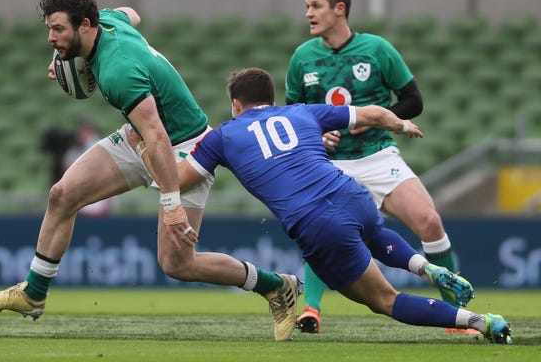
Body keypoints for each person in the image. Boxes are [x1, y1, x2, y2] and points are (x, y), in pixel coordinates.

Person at [0, 0, 301, 342]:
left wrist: (172, 203)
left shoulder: (118, 70)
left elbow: (158, 137)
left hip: (186, 148)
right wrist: (64, 57)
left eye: (58, 30)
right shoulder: (109, 22)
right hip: (139, 139)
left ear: (84, 25)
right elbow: (132, 13)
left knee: (178, 264)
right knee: (62, 195)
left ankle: (276, 287)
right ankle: (33, 293)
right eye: (49, 30)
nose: (51, 38)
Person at [136, 67, 511, 344]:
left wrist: (146, 152)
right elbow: (376, 115)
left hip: (317, 224)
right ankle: (425, 265)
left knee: (385, 300)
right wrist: (402, 125)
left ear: (236, 104)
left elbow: (176, 181)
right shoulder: (301, 112)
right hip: (352, 194)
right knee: (374, 233)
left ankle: (480, 321)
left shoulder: (223, 135)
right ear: (271, 97)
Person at [285, 0, 464, 334]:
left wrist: (380, 121)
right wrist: (317, 137)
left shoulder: (377, 49)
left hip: (378, 156)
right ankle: (311, 310)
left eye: (315, 6)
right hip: (331, 166)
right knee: (321, 234)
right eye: (306, 6)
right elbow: (293, 116)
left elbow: (414, 100)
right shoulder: (302, 58)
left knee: (429, 221)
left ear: (340, 9)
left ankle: (457, 315)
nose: (308, 13)